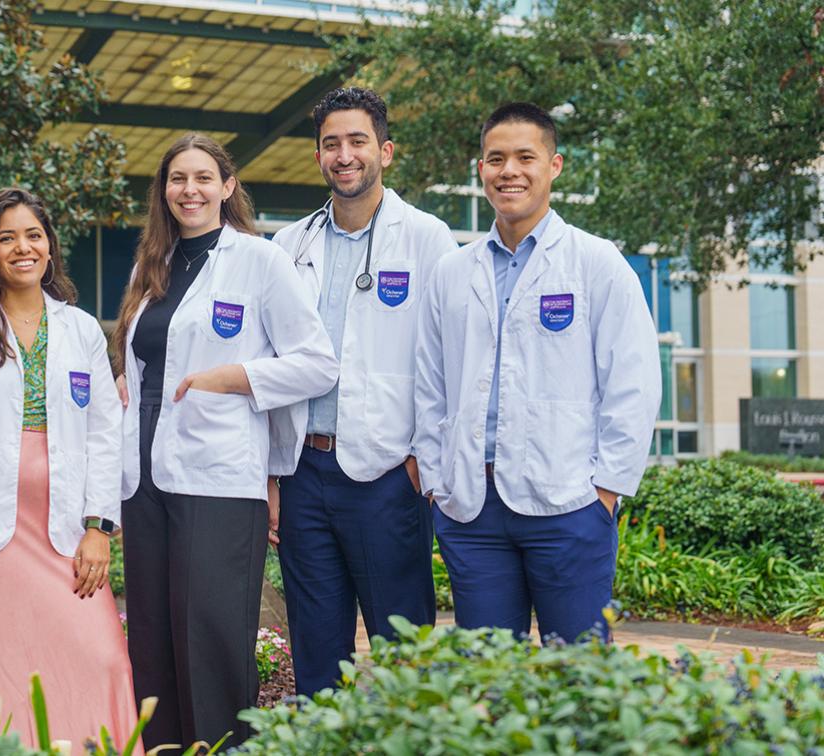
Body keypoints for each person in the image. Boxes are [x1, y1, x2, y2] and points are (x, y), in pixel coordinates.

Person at [112, 134, 337, 750]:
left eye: (203, 178)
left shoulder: (259, 262)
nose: (191, 190)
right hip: (145, 480)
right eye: (178, 179)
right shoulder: (147, 267)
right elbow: (142, 364)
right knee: (153, 639)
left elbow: (318, 363)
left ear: (227, 187)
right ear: (163, 191)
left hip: (218, 480)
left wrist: (237, 377)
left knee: (210, 642)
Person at [414, 102, 661, 642]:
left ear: (555, 165)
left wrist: (606, 490)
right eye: (496, 158)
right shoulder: (453, 272)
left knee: (578, 675)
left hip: (569, 505)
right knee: (489, 677)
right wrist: (437, 482)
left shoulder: (596, 263)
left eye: (526, 157)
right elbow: (429, 385)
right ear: (480, 169)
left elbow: (634, 382)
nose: (510, 171)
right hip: (472, 511)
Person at [0, 188, 141, 754]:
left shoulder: (82, 328)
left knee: (101, 655)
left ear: (50, 248)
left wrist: (98, 527)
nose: (22, 247)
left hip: (64, 528)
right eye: (6, 237)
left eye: (33, 235)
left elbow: (104, 434)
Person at [268, 87, 459, 696]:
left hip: (385, 476)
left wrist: (417, 462)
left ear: (385, 150)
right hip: (303, 471)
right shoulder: (287, 245)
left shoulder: (427, 239)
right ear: (317, 155)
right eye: (331, 144)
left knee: (405, 653)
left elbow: (449, 357)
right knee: (317, 653)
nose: (344, 155)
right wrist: (272, 472)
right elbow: (269, 360)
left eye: (357, 141)